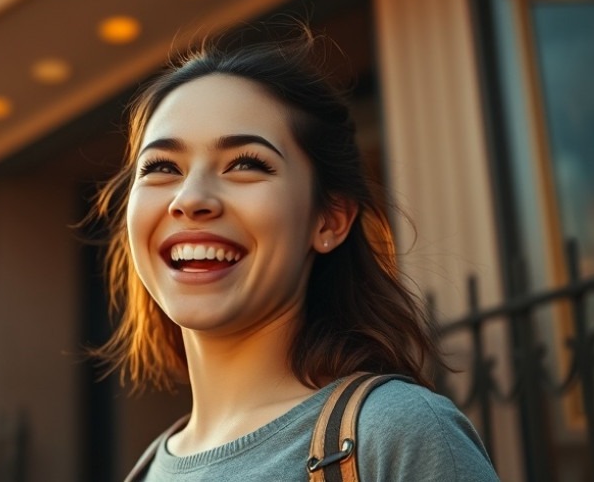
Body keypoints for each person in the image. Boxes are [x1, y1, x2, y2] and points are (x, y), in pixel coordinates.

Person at [86, 25, 499, 481]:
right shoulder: (145, 472)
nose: (190, 198)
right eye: (161, 167)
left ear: (329, 220)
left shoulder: (397, 433)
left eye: (246, 164)